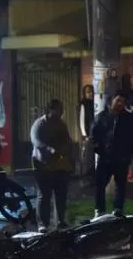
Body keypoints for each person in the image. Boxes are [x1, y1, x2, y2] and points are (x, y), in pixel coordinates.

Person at [90, 94, 133, 219]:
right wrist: (99, 149)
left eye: (122, 101)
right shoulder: (102, 117)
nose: (120, 104)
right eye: (117, 101)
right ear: (111, 102)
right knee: (100, 184)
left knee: (120, 184)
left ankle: (118, 209)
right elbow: (94, 135)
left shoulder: (129, 118)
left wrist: (129, 152)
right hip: (105, 157)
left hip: (122, 157)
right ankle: (99, 209)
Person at [30, 99, 73, 231]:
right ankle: (43, 223)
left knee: (61, 194)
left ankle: (60, 220)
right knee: (44, 195)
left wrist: (66, 150)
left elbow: (67, 140)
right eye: (58, 109)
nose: (60, 112)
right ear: (49, 110)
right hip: (42, 164)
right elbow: (36, 141)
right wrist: (50, 149)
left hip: (60, 165)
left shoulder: (61, 124)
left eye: (61, 109)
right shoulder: (39, 124)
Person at [78, 84, 95, 183]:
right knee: (87, 155)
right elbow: (81, 120)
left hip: (93, 133)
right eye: (88, 92)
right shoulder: (83, 104)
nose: (91, 94)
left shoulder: (94, 103)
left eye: (91, 91)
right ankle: (87, 175)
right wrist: (85, 134)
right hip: (87, 135)